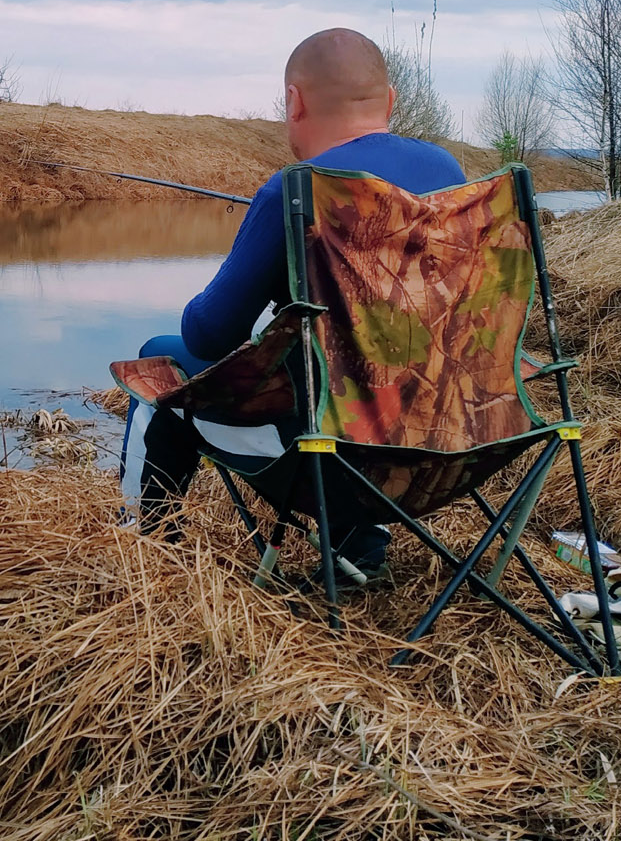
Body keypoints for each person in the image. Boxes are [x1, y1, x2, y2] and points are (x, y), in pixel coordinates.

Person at [121, 28, 466, 576]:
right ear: (391, 101)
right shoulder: (449, 178)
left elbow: (209, 337)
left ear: (294, 102)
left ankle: (140, 545)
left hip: (327, 453)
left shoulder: (293, 190)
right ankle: (361, 543)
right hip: (448, 442)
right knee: (358, 375)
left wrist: (258, 250)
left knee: (159, 358)